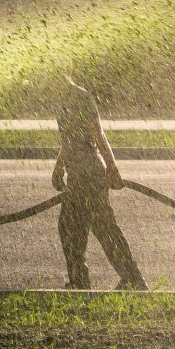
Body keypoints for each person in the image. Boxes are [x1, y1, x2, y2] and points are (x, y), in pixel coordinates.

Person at [52, 77, 147, 291]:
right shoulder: (62, 99)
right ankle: (82, 282)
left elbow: (97, 133)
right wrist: (59, 167)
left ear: (65, 71)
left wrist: (112, 167)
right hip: (77, 176)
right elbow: (69, 139)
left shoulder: (80, 97)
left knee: (102, 229)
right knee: (71, 228)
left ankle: (131, 280)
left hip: (90, 175)